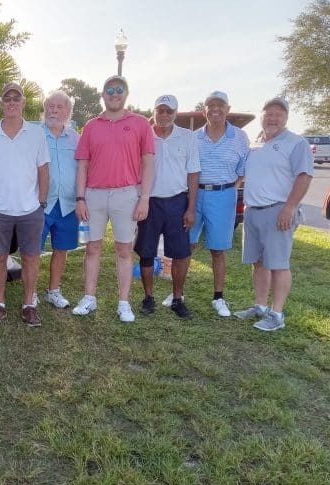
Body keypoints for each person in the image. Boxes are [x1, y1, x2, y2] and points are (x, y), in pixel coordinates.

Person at [72, 75, 155, 322]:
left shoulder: (140, 124)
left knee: (123, 249)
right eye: (110, 89)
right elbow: (82, 166)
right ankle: (89, 298)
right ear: (103, 94)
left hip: (126, 195)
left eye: (119, 89)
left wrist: (145, 198)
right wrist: (80, 198)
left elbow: (148, 164)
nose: (114, 93)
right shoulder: (90, 126)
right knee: (92, 247)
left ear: (126, 94)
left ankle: (124, 303)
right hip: (93, 196)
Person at [233, 97, 313, 331]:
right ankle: (260, 306)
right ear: (261, 117)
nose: (273, 117)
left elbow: (304, 176)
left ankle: (277, 315)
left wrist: (289, 207)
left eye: (278, 113)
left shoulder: (296, 143)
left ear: (286, 117)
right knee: (258, 263)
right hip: (253, 212)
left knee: (278, 264)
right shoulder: (257, 145)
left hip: (278, 210)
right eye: (268, 113)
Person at [0, 81, 50, 327]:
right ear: (1, 103)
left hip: (31, 210)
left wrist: (41, 202)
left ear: (24, 103)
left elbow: (44, 171)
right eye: (7, 99)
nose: (12, 103)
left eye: (16, 99)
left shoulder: (36, 134)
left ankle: (29, 304)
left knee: (30, 257)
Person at [134, 95, 199, 319]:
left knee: (181, 253)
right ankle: (148, 297)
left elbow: (193, 174)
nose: (164, 115)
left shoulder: (188, 138)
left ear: (175, 113)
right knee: (146, 251)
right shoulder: (143, 134)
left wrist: (191, 208)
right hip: (149, 201)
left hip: (177, 201)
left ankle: (177, 298)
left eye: (168, 111)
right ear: (153, 111)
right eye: (160, 110)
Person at [186, 91, 249, 317]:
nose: (215, 109)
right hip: (196, 194)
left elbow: (241, 171)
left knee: (218, 249)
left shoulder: (240, 137)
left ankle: (218, 297)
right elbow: (189, 170)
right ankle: (178, 293)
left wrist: (225, 187)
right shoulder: (194, 137)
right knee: (187, 245)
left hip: (224, 195)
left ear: (228, 108)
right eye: (210, 105)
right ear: (205, 110)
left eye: (220, 105)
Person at [38, 90, 79, 309]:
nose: (53, 110)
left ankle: (53, 290)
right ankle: (30, 293)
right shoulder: (34, 133)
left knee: (61, 249)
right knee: (32, 251)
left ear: (68, 112)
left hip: (68, 204)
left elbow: (83, 168)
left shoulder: (75, 138)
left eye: (59, 107)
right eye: (50, 106)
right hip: (40, 203)